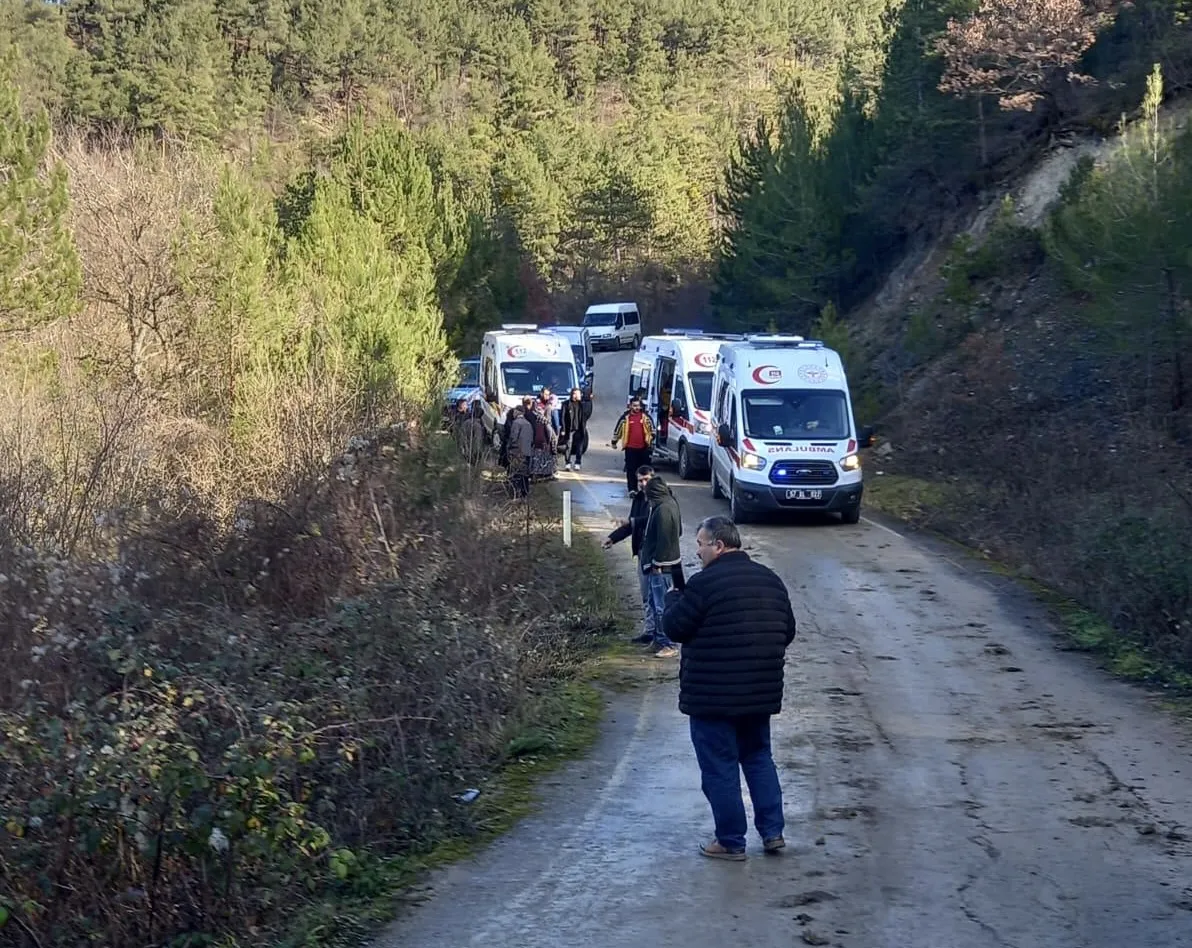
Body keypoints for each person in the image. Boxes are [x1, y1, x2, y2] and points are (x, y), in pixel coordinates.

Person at [662, 516, 797, 861]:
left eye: (701, 545)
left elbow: (676, 628)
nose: (698, 552)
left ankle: (731, 840)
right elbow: (788, 631)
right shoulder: (771, 580)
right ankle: (773, 832)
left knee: (720, 767)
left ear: (719, 545)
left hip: (712, 698)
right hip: (759, 695)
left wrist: (673, 599)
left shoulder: (703, 585)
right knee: (758, 759)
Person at [603, 465, 660, 645]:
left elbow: (651, 522)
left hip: (657, 553)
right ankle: (650, 630)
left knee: (657, 596)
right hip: (642, 551)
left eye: (646, 480)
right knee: (645, 594)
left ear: (653, 479)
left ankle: (662, 636)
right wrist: (613, 538)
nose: (643, 484)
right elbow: (631, 525)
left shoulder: (660, 500)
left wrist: (632, 521)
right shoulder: (638, 499)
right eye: (640, 480)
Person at [637, 474, 682, 658]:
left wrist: (657, 563)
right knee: (656, 604)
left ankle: (668, 643)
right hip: (661, 565)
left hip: (661, 567)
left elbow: (664, 539)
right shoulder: (669, 504)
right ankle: (658, 640)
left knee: (661, 605)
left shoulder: (663, 510)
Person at [611, 397, 654, 495]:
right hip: (630, 449)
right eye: (634, 406)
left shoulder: (645, 417)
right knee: (631, 470)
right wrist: (614, 442)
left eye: (638, 406)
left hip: (644, 448)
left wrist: (650, 440)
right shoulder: (625, 418)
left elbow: (652, 430)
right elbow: (618, 431)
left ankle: (646, 489)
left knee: (645, 470)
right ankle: (632, 490)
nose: (636, 408)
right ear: (630, 406)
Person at [560, 387, 592, 471]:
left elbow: (588, 412)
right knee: (568, 446)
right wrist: (563, 429)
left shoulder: (582, 405)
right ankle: (568, 463)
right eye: (578, 394)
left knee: (579, 446)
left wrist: (588, 398)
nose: (580, 395)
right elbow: (562, 417)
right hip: (569, 429)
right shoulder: (565, 404)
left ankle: (578, 462)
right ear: (574, 395)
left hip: (579, 429)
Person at [507, 406, 533, 498]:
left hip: (517, 452)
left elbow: (513, 437)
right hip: (527, 452)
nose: (513, 413)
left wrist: (509, 448)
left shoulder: (516, 423)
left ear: (517, 412)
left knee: (516, 474)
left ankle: (515, 494)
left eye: (514, 411)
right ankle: (525, 493)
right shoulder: (528, 423)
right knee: (525, 474)